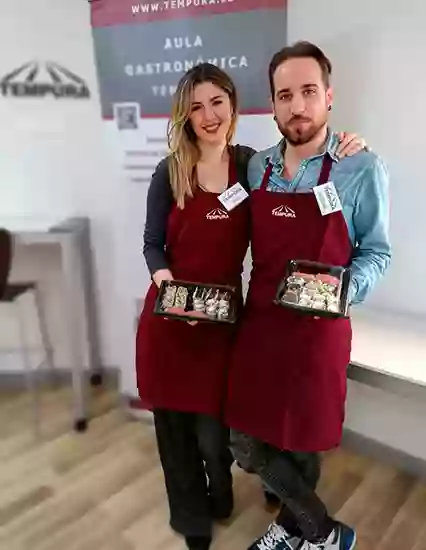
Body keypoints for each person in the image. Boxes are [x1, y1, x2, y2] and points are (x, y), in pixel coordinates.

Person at [135, 62, 367, 550]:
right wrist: (164, 278)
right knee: (175, 438)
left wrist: (348, 147)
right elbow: (153, 242)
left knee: (217, 436)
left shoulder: (251, 166)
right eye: (196, 106)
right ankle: (194, 524)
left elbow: (300, 165)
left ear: (233, 106)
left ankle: (222, 501)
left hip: (223, 325)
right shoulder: (170, 171)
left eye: (217, 102)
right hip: (172, 322)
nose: (208, 114)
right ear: (185, 115)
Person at [225, 41, 391, 550]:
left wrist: (342, 290)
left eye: (308, 92)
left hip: (318, 330)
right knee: (246, 442)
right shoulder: (257, 169)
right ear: (272, 104)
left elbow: (377, 252)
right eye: (284, 95)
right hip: (261, 326)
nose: (297, 106)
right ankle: (323, 532)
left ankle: (293, 528)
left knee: (302, 441)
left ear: (328, 96)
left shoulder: (359, 167)